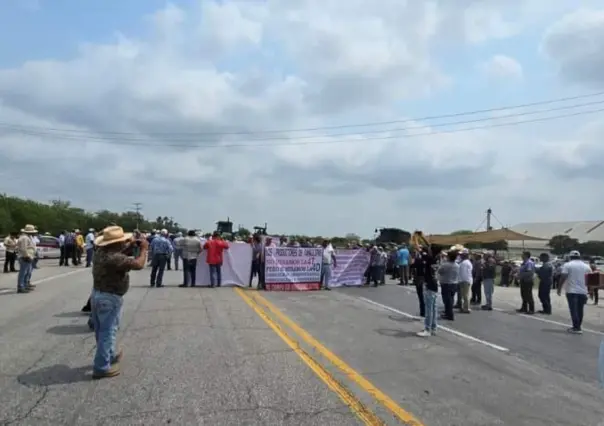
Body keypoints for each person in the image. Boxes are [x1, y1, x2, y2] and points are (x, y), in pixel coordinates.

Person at [91, 226, 148, 379]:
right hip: (110, 297)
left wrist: (129, 247)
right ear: (116, 243)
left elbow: (118, 255)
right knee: (108, 331)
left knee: (103, 329)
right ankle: (102, 367)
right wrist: (144, 250)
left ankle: (108, 355)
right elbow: (138, 264)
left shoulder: (101, 252)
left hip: (98, 294)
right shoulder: (115, 258)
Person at [557, 250, 591, 334]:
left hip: (571, 291)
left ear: (570, 257)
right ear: (579, 256)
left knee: (573, 310)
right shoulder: (586, 266)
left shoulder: (568, 265)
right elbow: (590, 279)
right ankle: (578, 326)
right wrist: (590, 290)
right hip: (583, 291)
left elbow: (563, 277)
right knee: (580, 310)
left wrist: (559, 288)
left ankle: (576, 328)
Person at [437, 249, 459, 322]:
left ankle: (449, 314)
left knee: (447, 299)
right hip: (454, 283)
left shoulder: (445, 265)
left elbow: (440, 271)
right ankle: (447, 312)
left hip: (446, 283)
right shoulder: (457, 265)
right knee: (451, 299)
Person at [16, 224, 38, 293]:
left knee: (27, 272)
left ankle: (25, 285)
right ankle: (21, 286)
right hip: (24, 257)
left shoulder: (27, 237)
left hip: (27, 257)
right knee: (23, 272)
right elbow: (23, 248)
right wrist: (27, 256)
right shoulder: (24, 238)